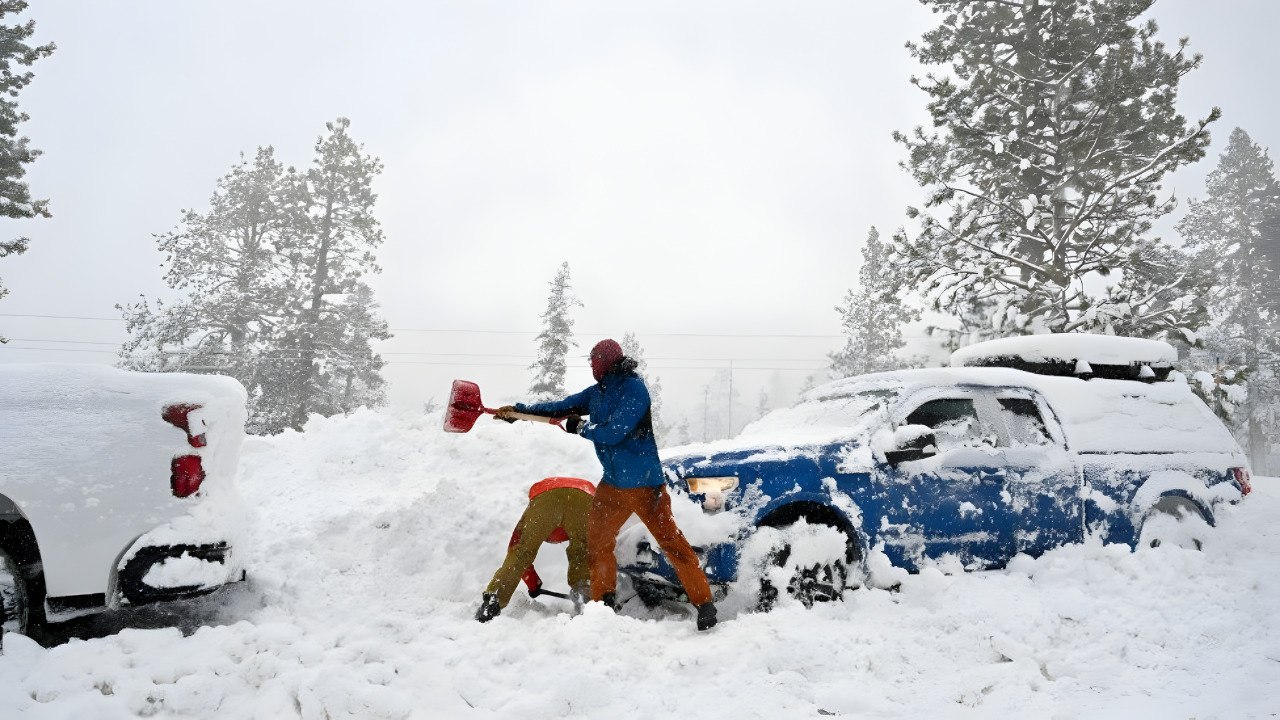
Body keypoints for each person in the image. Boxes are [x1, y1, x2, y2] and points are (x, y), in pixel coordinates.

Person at [497, 338, 717, 631]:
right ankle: (603, 603)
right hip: (613, 485)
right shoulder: (597, 392)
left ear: (606, 361)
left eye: (594, 361)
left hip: (645, 484)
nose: (591, 366)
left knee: (671, 543)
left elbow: (614, 432)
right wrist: (519, 411)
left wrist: (581, 427)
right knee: (597, 542)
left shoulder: (634, 390)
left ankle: (704, 603)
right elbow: (561, 406)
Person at [476, 476, 596, 623]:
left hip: (546, 497)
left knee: (522, 552)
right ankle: (585, 597)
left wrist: (534, 584)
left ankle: (493, 600)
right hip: (584, 497)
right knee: (583, 551)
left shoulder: (536, 509)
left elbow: (515, 548)